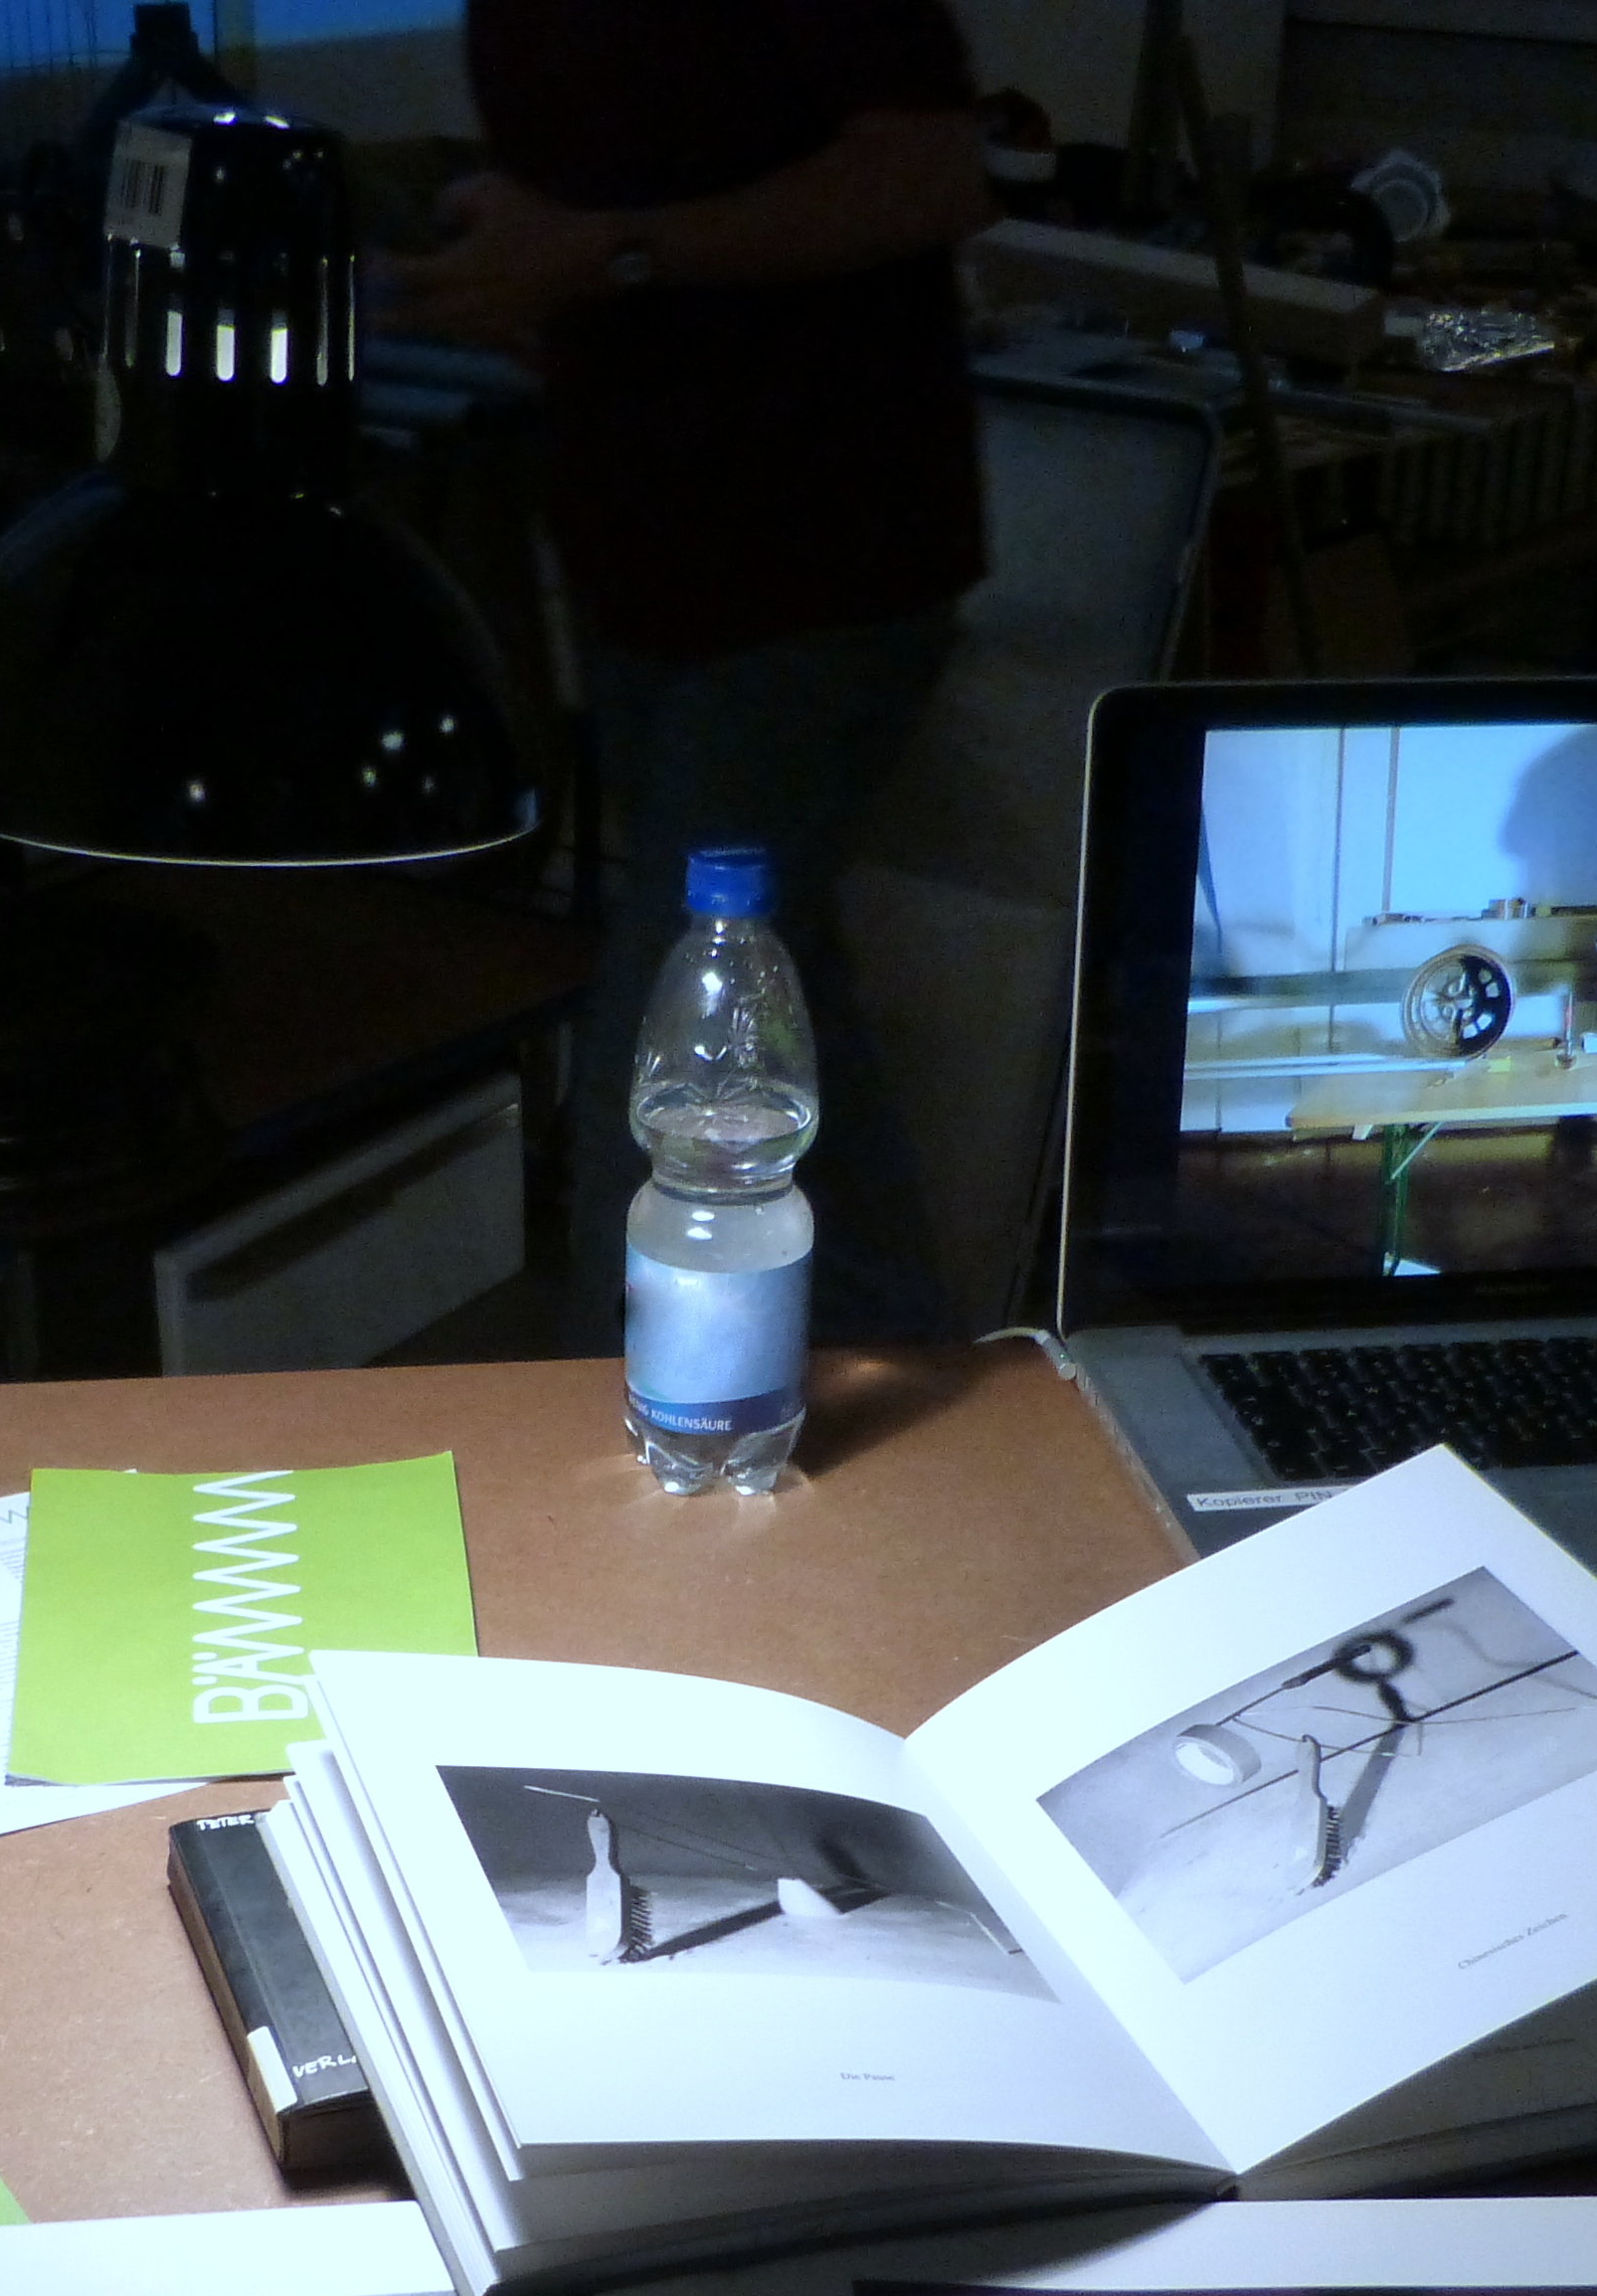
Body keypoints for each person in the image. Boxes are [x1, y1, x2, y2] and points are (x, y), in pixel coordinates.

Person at [384, 0, 996, 1347]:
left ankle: (640, 1481)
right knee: (782, 989)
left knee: (665, 1073)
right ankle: (927, 1373)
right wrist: (523, 248)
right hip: (645, 564)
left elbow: (933, 170)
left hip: (811, 569)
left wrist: (605, 253)